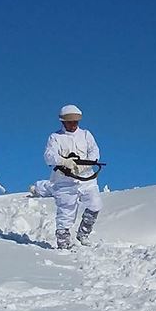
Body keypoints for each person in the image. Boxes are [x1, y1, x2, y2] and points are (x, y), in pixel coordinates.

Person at [43, 104, 103, 249]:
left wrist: (85, 165)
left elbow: (94, 152)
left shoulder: (86, 135)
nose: (73, 125)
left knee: (95, 205)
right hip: (65, 181)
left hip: (87, 179)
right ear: (63, 122)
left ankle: (83, 233)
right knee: (66, 212)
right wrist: (64, 161)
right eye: (70, 122)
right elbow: (48, 156)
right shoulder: (55, 137)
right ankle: (63, 243)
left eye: (76, 122)